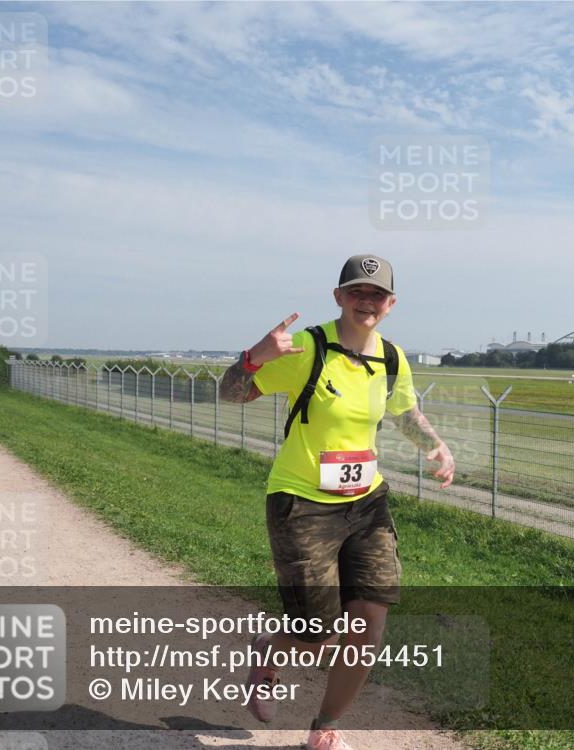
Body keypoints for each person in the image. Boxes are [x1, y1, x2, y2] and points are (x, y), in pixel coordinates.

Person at [220, 255, 454, 750]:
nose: (365, 302)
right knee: (316, 634)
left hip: (366, 502)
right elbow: (231, 394)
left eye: (376, 295)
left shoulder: (392, 357)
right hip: (301, 503)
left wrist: (434, 444)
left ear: (390, 304)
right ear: (338, 297)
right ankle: (270, 649)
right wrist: (254, 357)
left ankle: (323, 728)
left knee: (369, 620)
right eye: (356, 292)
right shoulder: (308, 346)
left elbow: (404, 409)